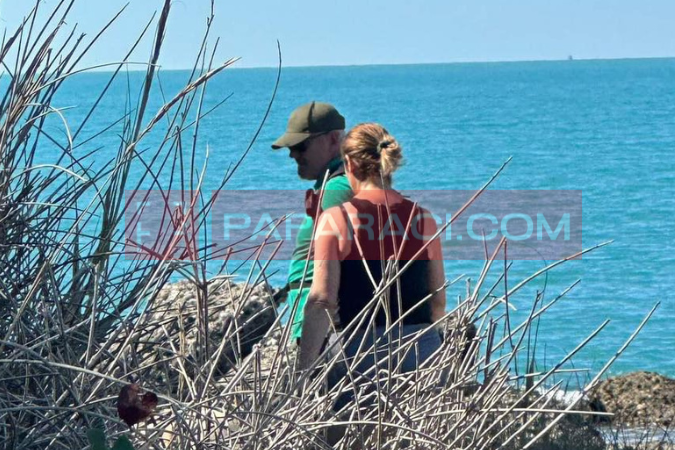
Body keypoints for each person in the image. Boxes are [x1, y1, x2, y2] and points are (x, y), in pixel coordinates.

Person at [298, 123, 447, 410]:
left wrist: (304, 373)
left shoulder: (337, 219)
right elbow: (437, 300)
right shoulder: (423, 218)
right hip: (422, 351)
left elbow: (322, 300)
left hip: (358, 355)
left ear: (350, 164)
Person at [271, 101, 353, 345]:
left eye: (301, 146)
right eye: (291, 148)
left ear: (333, 139)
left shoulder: (337, 188)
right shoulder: (336, 184)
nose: (293, 155)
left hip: (324, 330)